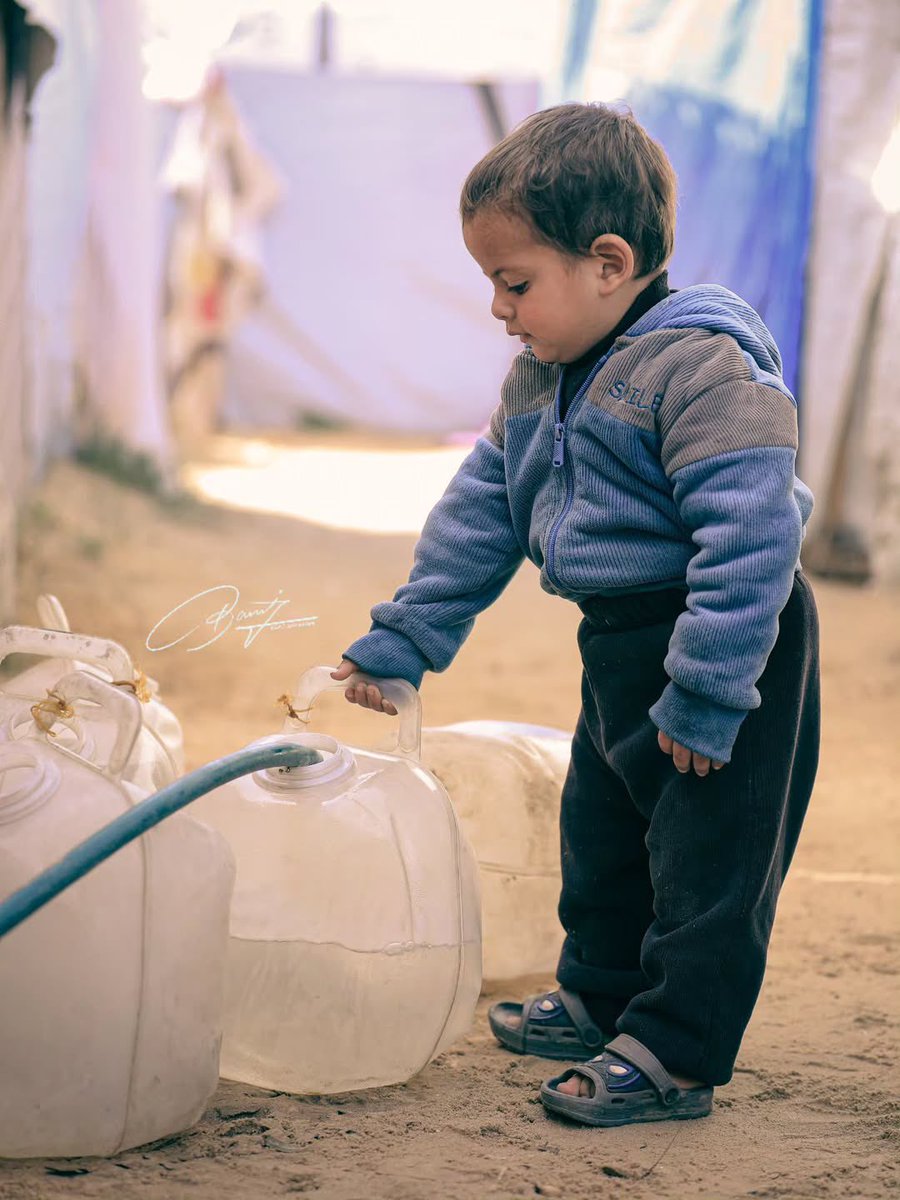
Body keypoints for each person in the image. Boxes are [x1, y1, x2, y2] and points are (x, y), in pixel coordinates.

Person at [331, 102, 820, 1129]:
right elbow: (478, 516)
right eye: (492, 285)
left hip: (730, 641)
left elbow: (753, 535)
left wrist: (711, 685)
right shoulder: (538, 381)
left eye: (516, 283)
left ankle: (677, 1051)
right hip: (621, 640)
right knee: (602, 830)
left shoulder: (701, 367)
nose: (501, 310)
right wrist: (407, 636)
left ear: (608, 262)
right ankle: (600, 997)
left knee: (706, 860)